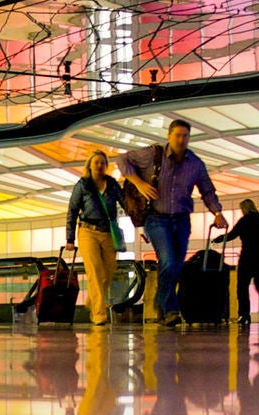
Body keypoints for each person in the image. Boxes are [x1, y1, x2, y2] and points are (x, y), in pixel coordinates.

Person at [118, 119, 227, 329]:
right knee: (167, 260)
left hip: (182, 220)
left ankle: (163, 302)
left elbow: (207, 190)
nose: (181, 139)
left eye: (185, 136)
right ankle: (169, 309)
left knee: (176, 266)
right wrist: (139, 183)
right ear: (169, 136)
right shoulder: (153, 155)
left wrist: (217, 212)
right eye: (177, 135)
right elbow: (122, 160)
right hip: (156, 218)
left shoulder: (195, 164)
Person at [65, 149, 126, 326]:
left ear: (106, 166)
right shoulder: (83, 185)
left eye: (103, 163)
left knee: (108, 271)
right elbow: (73, 211)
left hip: (108, 232)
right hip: (87, 231)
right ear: (90, 166)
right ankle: (99, 313)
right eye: (96, 162)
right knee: (95, 271)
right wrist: (70, 238)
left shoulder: (112, 184)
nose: (100, 165)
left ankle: (93, 299)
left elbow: (125, 202)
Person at [216, 198, 259, 324]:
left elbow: (233, 234)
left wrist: (219, 239)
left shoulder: (245, 220)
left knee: (242, 286)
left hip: (248, 257)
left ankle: (244, 315)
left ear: (244, 209)